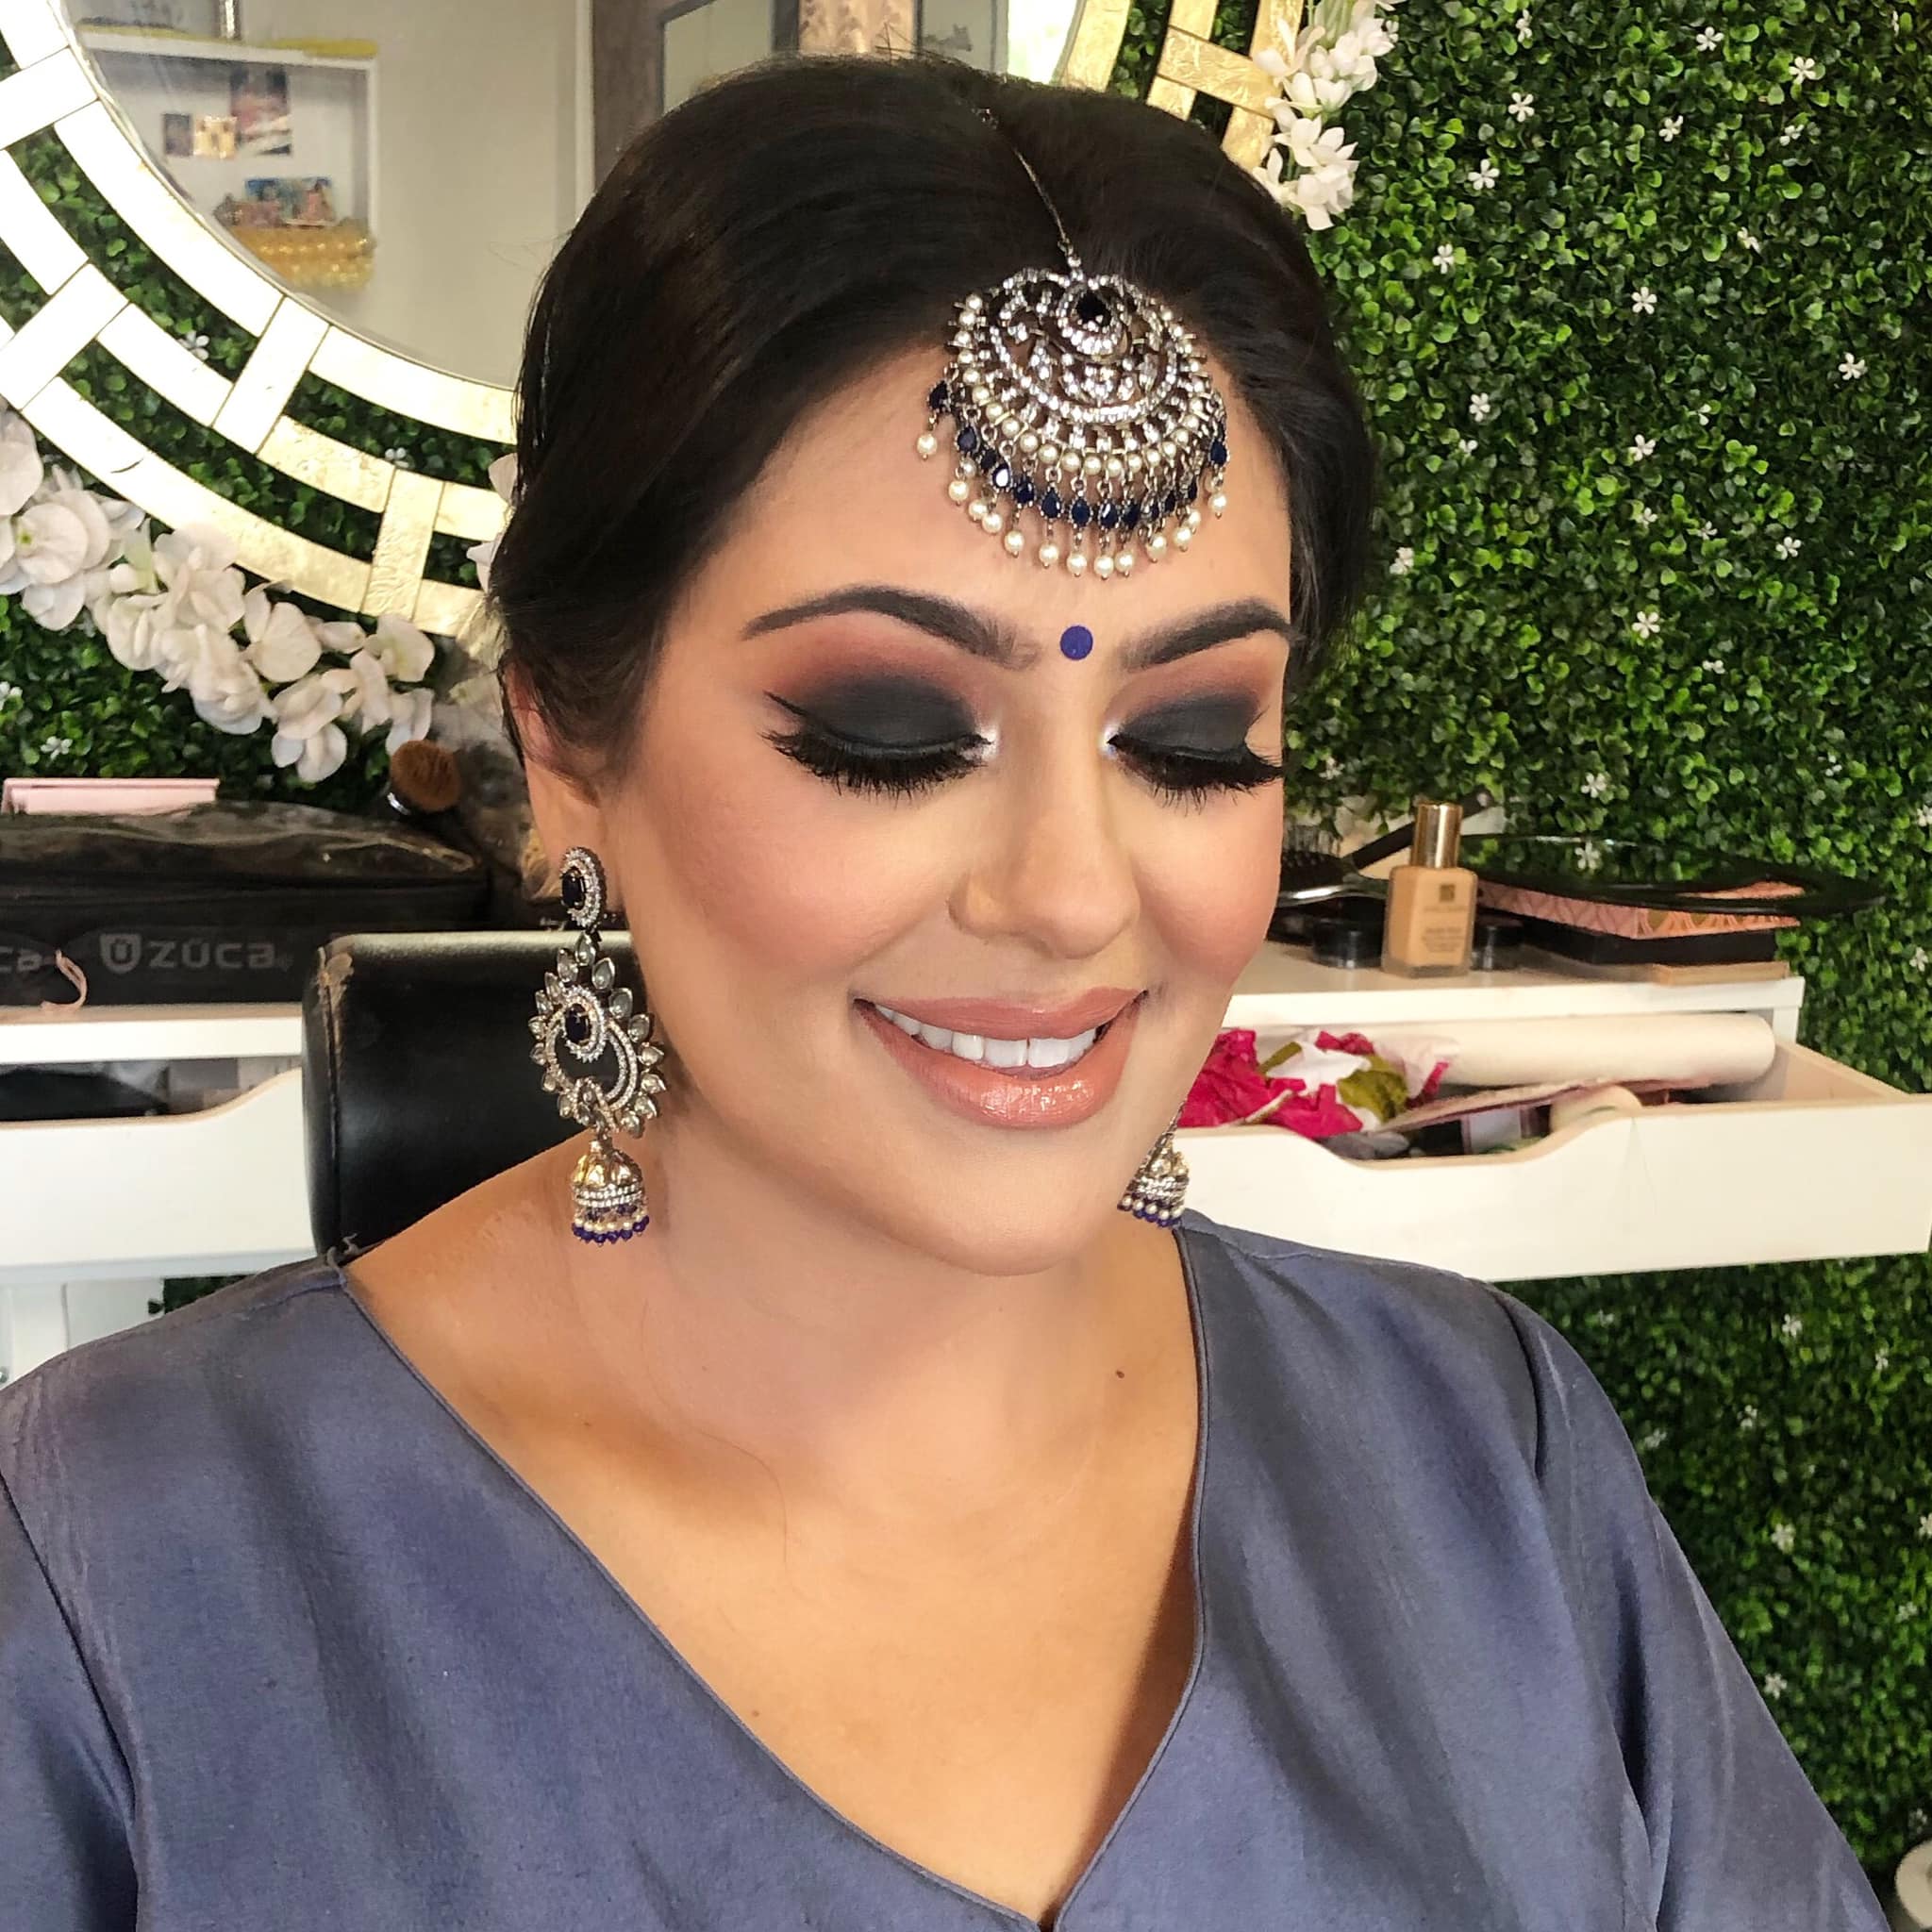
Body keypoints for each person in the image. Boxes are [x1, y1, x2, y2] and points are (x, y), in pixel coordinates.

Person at [0, 54, 1887, 1932]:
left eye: (1193, 738)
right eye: (890, 733)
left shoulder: (1484, 1458)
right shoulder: (111, 1581)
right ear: (566, 735)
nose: (1071, 894)